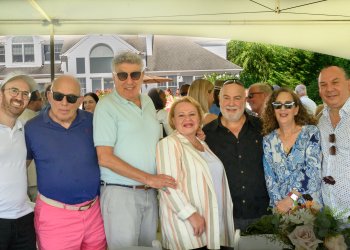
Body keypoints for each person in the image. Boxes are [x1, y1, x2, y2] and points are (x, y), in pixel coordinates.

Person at [93, 51, 176, 249]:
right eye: (122, 75)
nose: (129, 81)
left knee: (149, 246)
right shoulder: (106, 107)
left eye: (135, 74)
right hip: (121, 193)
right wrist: (149, 179)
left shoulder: (147, 102)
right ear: (114, 77)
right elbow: (104, 158)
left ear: (142, 76)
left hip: (150, 192)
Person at [25, 75, 106, 250]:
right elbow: (19, 167)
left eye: (71, 98)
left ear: (80, 100)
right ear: (49, 96)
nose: (64, 103)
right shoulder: (32, 127)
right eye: (58, 96)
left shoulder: (94, 122)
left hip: (94, 213)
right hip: (54, 216)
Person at [156, 96, 234, 250]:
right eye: (181, 115)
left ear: (199, 117)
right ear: (172, 120)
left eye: (192, 114)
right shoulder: (169, 144)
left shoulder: (202, 144)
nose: (187, 119)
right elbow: (167, 186)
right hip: (188, 228)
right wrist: (190, 215)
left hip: (212, 225)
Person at [203, 79, 270, 231]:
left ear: (245, 100)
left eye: (237, 98)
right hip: (224, 218)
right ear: (219, 100)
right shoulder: (206, 135)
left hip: (263, 215)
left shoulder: (264, 128)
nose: (231, 103)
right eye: (226, 97)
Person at [261, 87, 322, 213]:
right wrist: (280, 206)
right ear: (273, 110)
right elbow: (270, 179)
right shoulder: (268, 140)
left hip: (309, 208)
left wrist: (291, 199)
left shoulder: (310, 133)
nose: (283, 109)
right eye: (278, 105)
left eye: (288, 105)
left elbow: (312, 172)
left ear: (296, 109)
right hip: (281, 210)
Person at [0, 72, 37, 250]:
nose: (19, 97)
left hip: (24, 219)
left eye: (25, 94)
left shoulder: (24, 129)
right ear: (1, 94)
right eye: (14, 90)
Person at [317, 66, 350, 220]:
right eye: (323, 85)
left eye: (335, 82)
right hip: (328, 217)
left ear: (348, 84)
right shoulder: (320, 121)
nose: (329, 89)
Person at [18, 90, 43, 202]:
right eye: (40, 99)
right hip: (35, 173)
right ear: (32, 102)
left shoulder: (19, 116)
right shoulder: (35, 120)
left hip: (23, 173)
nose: (42, 102)